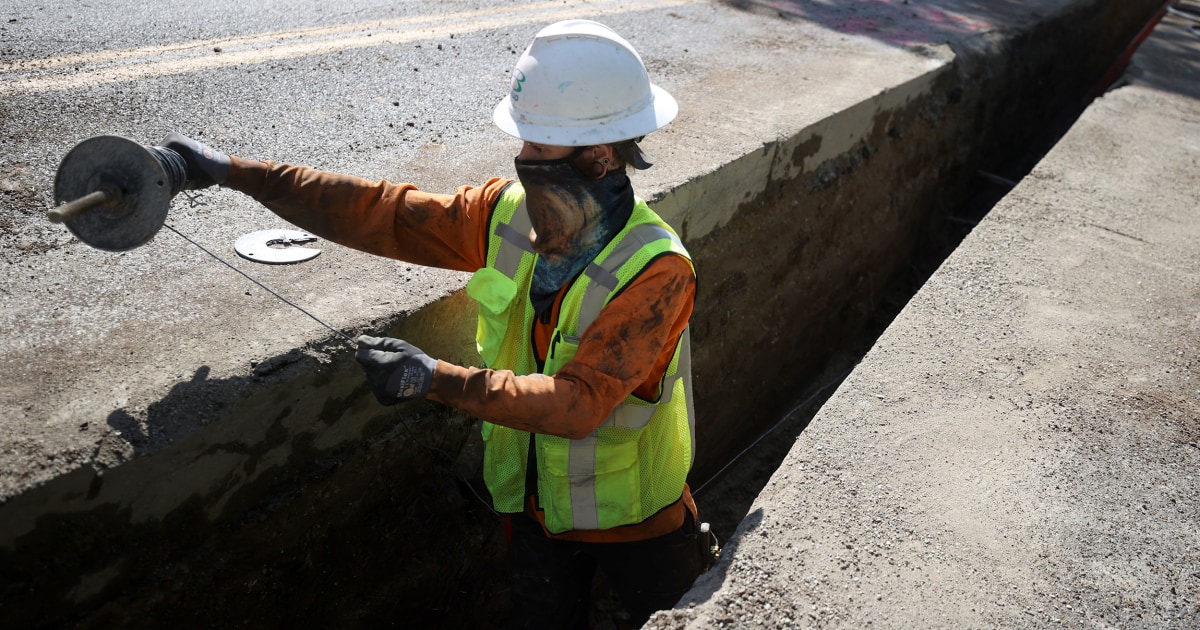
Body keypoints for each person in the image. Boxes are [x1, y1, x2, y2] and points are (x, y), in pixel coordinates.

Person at [165, 19, 707, 628]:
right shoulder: (507, 214)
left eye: (539, 145)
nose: (521, 157)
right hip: (531, 510)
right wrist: (238, 173)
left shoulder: (655, 270)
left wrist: (437, 379)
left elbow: (578, 404)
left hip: (635, 522)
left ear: (600, 156)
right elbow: (386, 214)